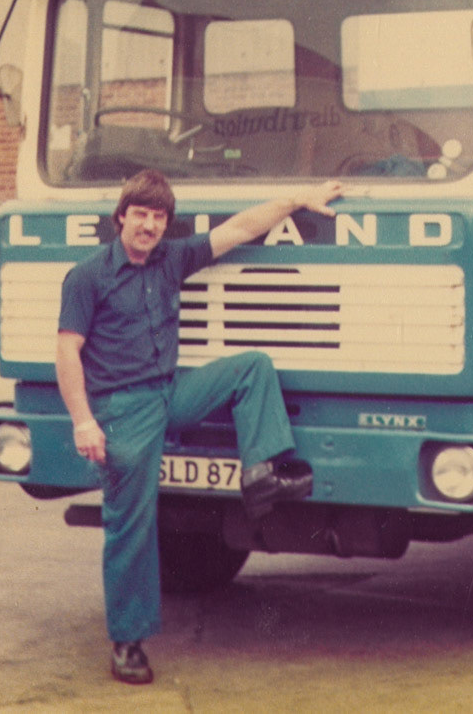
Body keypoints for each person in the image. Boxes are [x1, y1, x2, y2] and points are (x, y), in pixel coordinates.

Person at [56, 169, 343, 685]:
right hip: (121, 411)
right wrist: (84, 422)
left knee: (251, 368)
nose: (148, 225)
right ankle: (127, 644)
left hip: (169, 392)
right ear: (121, 217)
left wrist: (299, 196)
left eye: (158, 217)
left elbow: (240, 228)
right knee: (132, 527)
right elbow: (66, 351)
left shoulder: (172, 260)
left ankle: (259, 473)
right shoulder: (88, 276)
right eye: (139, 214)